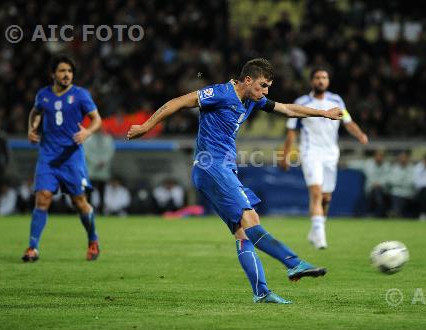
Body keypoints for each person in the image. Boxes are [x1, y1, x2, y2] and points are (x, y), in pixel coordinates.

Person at [127, 58, 343, 304]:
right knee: (250, 220)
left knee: (244, 232)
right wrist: (146, 126)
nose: (265, 92)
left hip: (222, 169)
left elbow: (288, 109)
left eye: (268, 87)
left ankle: (261, 293)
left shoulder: (252, 100)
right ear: (248, 80)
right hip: (212, 167)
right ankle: (294, 263)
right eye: (263, 85)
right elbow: (178, 102)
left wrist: (323, 113)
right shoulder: (220, 93)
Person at [22, 55, 102, 262]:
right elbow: (36, 113)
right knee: (42, 198)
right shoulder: (44, 95)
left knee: (79, 202)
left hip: (71, 157)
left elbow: (97, 120)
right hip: (48, 156)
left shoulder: (81, 95)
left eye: (69, 71)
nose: (66, 75)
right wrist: (32, 128)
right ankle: (33, 247)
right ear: (53, 74)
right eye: (62, 71)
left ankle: (93, 240)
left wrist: (87, 133)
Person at [281, 67, 368, 249]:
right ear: (312, 81)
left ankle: (316, 229)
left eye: (324, 77)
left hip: (330, 153)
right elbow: (291, 131)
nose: (321, 80)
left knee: (326, 197)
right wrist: (285, 155)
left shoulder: (336, 100)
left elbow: (348, 122)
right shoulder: (302, 102)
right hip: (310, 151)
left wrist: (359, 134)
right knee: (316, 193)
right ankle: (320, 236)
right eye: (318, 77)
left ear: (328, 81)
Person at [83, 128, 115, 214]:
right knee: (89, 192)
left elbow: (110, 152)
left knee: (102, 192)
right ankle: (88, 210)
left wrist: (103, 161)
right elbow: (86, 153)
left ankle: (101, 211)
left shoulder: (108, 139)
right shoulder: (88, 139)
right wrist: (97, 162)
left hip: (103, 171)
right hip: (92, 171)